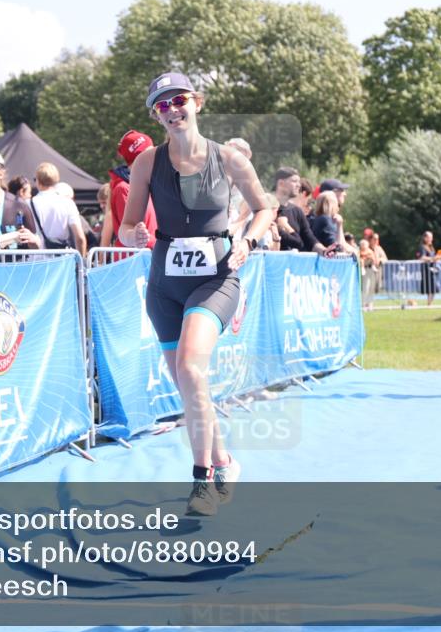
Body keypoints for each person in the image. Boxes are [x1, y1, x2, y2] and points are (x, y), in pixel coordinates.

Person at [119, 71, 274, 517]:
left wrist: (248, 241)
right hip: (164, 285)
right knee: (189, 385)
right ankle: (225, 462)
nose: (172, 110)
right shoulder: (147, 162)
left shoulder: (228, 159)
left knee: (190, 366)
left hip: (217, 278)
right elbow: (131, 223)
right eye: (162, 105)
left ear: (198, 102)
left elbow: (265, 208)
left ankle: (202, 481)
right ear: (155, 115)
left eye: (178, 100)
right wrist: (131, 235)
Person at [103, 130, 158, 251]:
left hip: (148, 257)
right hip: (134, 262)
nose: (156, 156)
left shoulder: (149, 183)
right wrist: (165, 245)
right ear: (138, 159)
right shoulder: (123, 188)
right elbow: (130, 232)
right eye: (150, 153)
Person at [31, 162, 86, 257]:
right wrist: (80, 262)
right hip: (62, 260)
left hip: (38, 260)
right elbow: (80, 238)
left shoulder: (29, 204)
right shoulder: (68, 203)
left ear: (38, 181)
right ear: (56, 180)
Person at [273, 167, 326, 253]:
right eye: (294, 181)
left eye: (299, 182)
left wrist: (325, 251)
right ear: (281, 183)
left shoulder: (297, 211)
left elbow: (309, 239)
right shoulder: (267, 208)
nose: (299, 185)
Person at [310, 190, 356, 255]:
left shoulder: (316, 219)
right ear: (333, 204)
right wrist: (339, 225)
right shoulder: (326, 220)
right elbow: (338, 246)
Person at [416, 231, 441, 305]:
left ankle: (429, 303)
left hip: (433, 269)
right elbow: (422, 257)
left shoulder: (431, 247)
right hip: (427, 270)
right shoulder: (422, 247)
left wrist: (438, 257)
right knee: (430, 288)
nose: (431, 239)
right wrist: (433, 258)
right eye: (430, 237)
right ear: (425, 238)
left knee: (434, 288)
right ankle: (429, 303)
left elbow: (433, 257)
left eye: (432, 237)